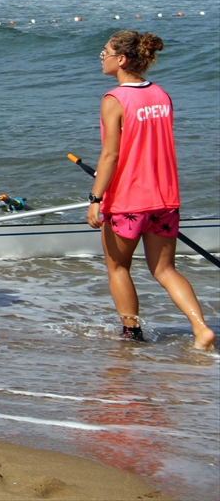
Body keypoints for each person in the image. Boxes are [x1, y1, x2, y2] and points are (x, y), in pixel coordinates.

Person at [88, 31, 214, 351]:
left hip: (128, 200)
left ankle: (132, 335)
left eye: (105, 52)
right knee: (165, 269)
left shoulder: (114, 99)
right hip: (166, 199)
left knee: (118, 267)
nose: (101, 57)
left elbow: (111, 155)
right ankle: (201, 329)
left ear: (122, 60)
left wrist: (96, 198)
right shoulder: (161, 94)